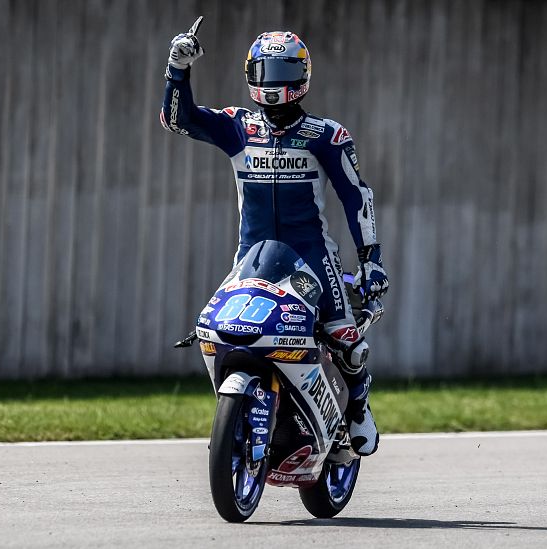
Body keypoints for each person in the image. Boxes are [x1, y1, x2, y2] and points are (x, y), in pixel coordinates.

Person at [161, 24, 389, 456]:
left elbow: (356, 196)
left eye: (283, 70)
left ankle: (358, 406)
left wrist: (370, 259)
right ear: (250, 74)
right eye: (264, 70)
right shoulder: (237, 127)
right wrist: (177, 69)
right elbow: (178, 120)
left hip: (310, 254)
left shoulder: (327, 135)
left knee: (345, 336)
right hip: (252, 254)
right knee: (221, 326)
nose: (273, 82)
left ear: (303, 76)